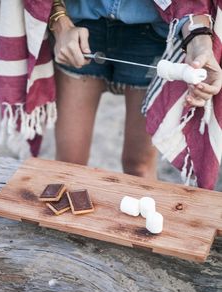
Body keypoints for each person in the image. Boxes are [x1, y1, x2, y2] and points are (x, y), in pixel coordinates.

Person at [49, 0, 222, 182]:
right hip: (82, 24)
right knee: (69, 164)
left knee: (138, 167)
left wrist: (199, 39)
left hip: (151, 33)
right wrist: (59, 21)